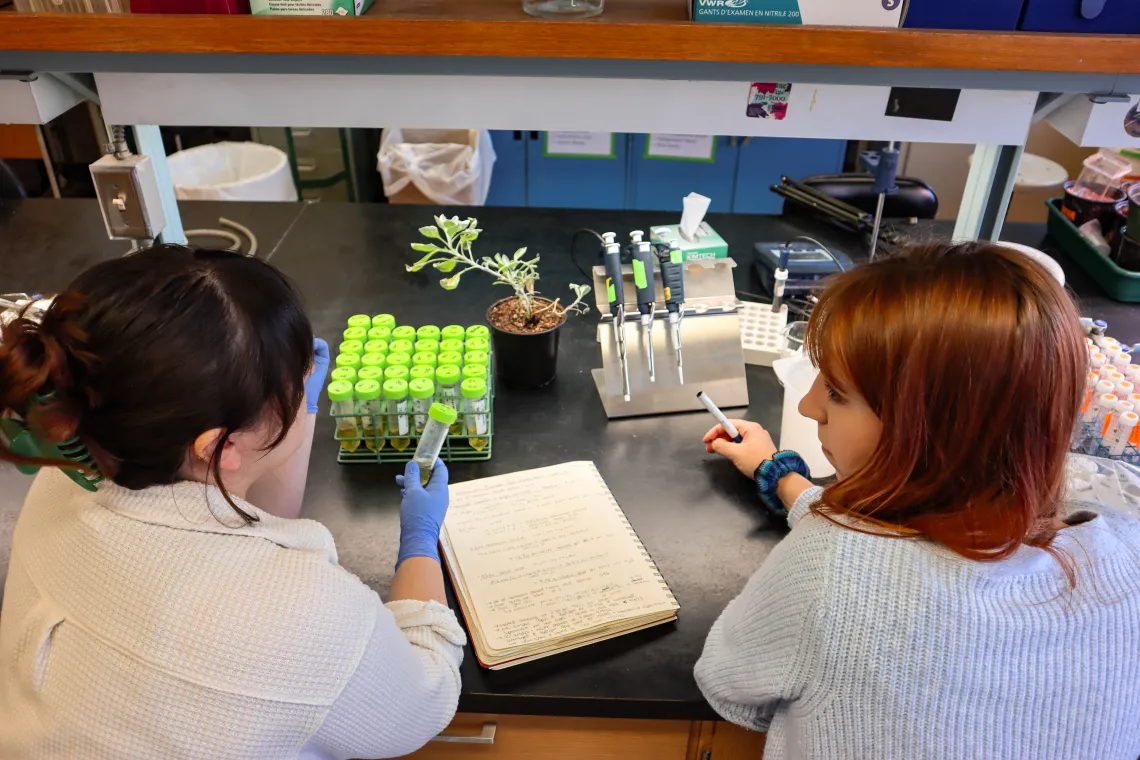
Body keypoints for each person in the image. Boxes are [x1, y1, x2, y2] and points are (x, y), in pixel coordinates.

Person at [0, 245, 462, 760]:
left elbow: (233, 514)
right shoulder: (305, 617)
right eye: (293, 382)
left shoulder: (65, 482)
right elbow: (425, 697)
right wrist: (420, 545)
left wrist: (290, 411)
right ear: (218, 444)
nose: (305, 377)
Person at [695, 242, 1140, 759]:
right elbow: (904, 553)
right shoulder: (1123, 555)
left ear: (932, 429)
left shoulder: (825, 569)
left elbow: (727, 685)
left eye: (837, 392)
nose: (809, 404)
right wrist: (779, 474)